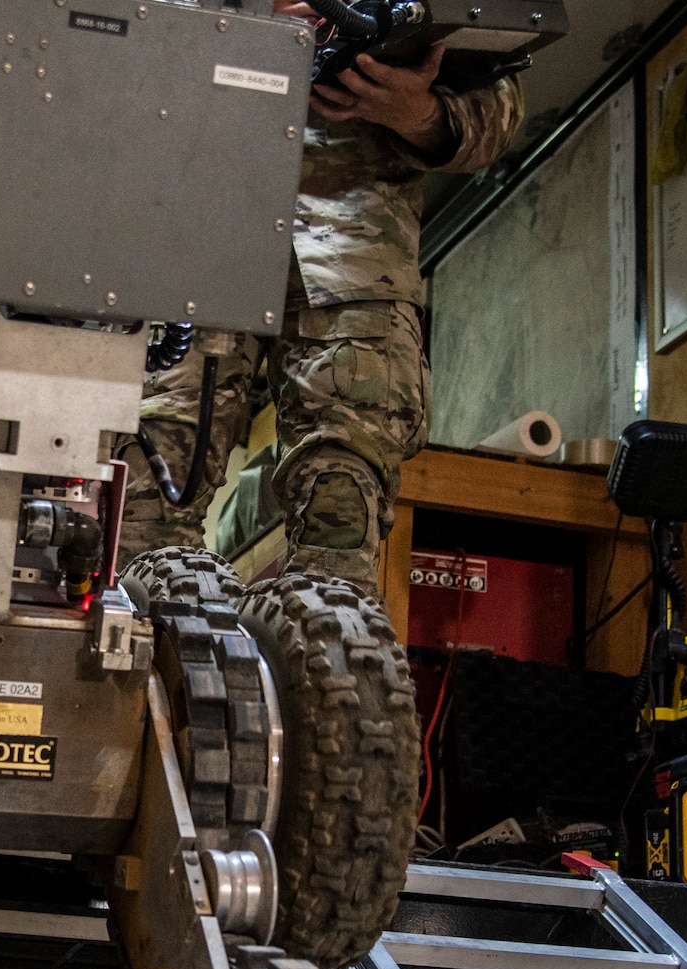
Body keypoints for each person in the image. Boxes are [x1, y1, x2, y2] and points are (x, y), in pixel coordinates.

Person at [117, 10, 523, 595]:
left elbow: (500, 101)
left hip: (354, 252)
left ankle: (331, 672)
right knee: (146, 494)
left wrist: (422, 115)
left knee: (341, 502)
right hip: (196, 230)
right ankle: (140, 672)